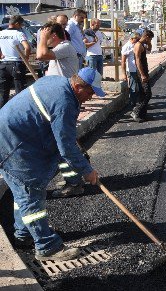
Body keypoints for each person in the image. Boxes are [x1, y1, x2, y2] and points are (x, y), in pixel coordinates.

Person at [0, 68, 102, 261]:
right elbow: (66, 145)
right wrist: (86, 171)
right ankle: (47, 247)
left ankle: (23, 235)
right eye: (90, 92)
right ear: (79, 86)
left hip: (12, 136)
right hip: (12, 144)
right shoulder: (65, 102)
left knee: (22, 193)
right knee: (31, 191)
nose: (91, 97)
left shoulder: (57, 82)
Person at [0, 15, 31, 108]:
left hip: (3, 65)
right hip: (16, 64)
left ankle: (2, 115)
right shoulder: (18, 34)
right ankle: (19, 113)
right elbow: (27, 47)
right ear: (17, 23)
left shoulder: (1, 33)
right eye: (20, 25)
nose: (21, 27)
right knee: (20, 91)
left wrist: (1, 55)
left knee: (3, 92)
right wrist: (25, 57)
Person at [130, 29, 154, 123]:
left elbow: (149, 49)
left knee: (144, 94)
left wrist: (149, 43)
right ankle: (136, 112)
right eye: (150, 39)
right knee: (147, 94)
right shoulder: (138, 45)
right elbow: (138, 61)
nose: (150, 41)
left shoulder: (143, 44)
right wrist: (142, 75)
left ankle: (143, 115)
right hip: (141, 73)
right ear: (147, 37)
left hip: (145, 71)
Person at [120, 32, 140, 108]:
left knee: (139, 87)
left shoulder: (136, 44)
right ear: (132, 39)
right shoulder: (126, 46)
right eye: (136, 39)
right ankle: (133, 104)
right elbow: (123, 61)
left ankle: (138, 103)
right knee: (133, 87)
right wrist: (124, 74)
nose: (138, 40)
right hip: (131, 69)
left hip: (138, 69)